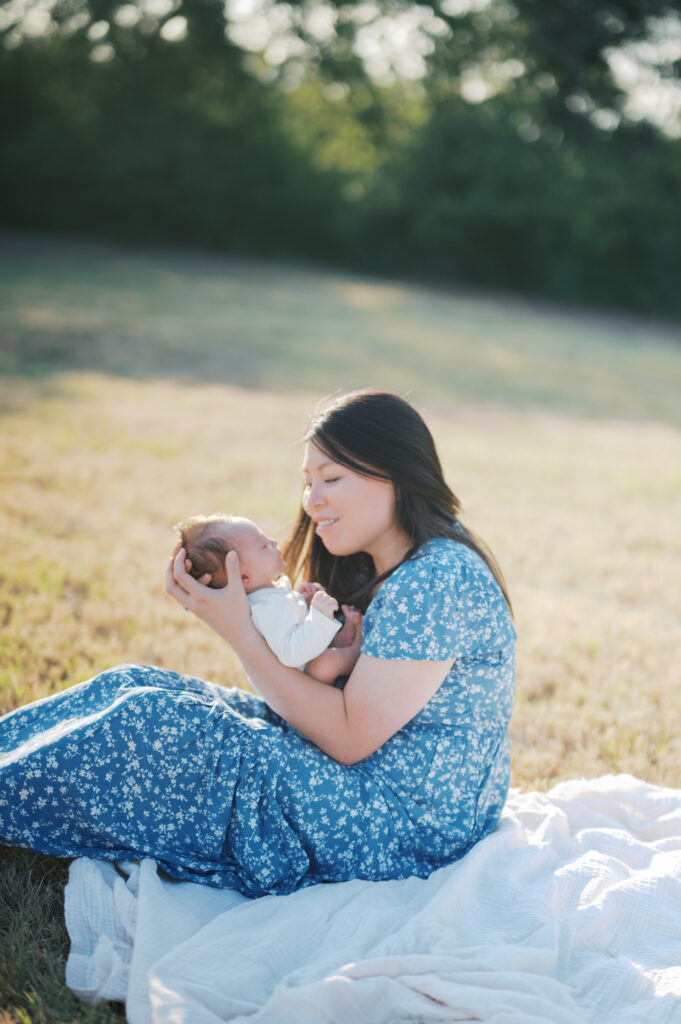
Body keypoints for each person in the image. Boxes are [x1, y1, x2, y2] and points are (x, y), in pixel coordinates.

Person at [0, 389, 516, 898]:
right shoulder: (379, 565)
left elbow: (348, 738)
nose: (312, 501)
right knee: (134, 685)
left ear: (396, 474)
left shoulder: (437, 579)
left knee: (151, 720)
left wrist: (238, 631)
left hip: (401, 821)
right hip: (363, 781)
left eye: (331, 478)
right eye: (308, 482)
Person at [176, 513, 361, 684]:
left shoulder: (268, 596)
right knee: (325, 663)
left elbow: (290, 623)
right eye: (264, 545)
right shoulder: (265, 609)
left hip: (307, 661)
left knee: (326, 652)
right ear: (244, 578)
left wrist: (301, 600)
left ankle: (346, 636)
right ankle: (355, 653)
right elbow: (292, 653)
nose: (274, 542)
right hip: (302, 684)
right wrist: (319, 616)